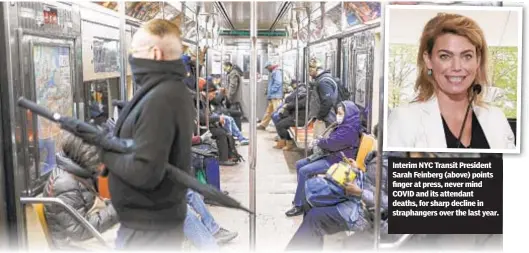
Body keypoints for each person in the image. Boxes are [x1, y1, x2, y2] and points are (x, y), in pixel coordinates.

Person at [100, 19, 194, 250]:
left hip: (149, 230)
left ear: (155, 54)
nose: (131, 58)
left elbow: (146, 172)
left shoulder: (161, 98)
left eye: (135, 51)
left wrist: (105, 151)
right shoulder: (164, 91)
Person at [387, 13, 515, 150]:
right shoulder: (404, 119)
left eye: (467, 56)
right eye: (445, 56)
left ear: (478, 60)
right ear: (428, 60)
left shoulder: (496, 119)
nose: (457, 67)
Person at [285, 148, 396, 251]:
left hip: (368, 214)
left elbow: (389, 203)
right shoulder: (384, 156)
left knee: (315, 217)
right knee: (311, 204)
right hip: (358, 202)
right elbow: (370, 182)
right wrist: (356, 170)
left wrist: (360, 192)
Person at [285, 101, 363, 217]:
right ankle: (304, 197)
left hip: (338, 161)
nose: (338, 116)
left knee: (304, 171)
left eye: (341, 113)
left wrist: (319, 141)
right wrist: (322, 141)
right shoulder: (344, 126)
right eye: (338, 113)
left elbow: (332, 144)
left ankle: (299, 204)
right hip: (331, 155)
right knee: (300, 164)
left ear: (348, 115)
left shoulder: (349, 130)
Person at [273, 82, 308, 151]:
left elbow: (297, 104)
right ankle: (283, 140)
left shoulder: (305, 98)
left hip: (300, 118)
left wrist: (287, 105)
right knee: (279, 122)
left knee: (280, 125)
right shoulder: (301, 96)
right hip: (295, 116)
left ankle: (289, 142)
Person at [307, 59, 339, 127]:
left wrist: (320, 117)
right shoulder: (321, 80)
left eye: (310, 71)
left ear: (316, 69)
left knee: (321, 136)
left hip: (325, 120)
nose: (309, 74)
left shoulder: (323, 82)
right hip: (323, 118)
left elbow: (327, 101)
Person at [257, 61, 283, 130]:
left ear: (270, 66)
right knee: (269, 111)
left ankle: (280, 128)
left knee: (278, 113)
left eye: (267, 68)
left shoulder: (276, 72)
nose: (267, 69)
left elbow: (278, 82)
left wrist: (272, 90)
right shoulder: (274, 72)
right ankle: (263, 125)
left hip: (276, 96)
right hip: (273, 96)